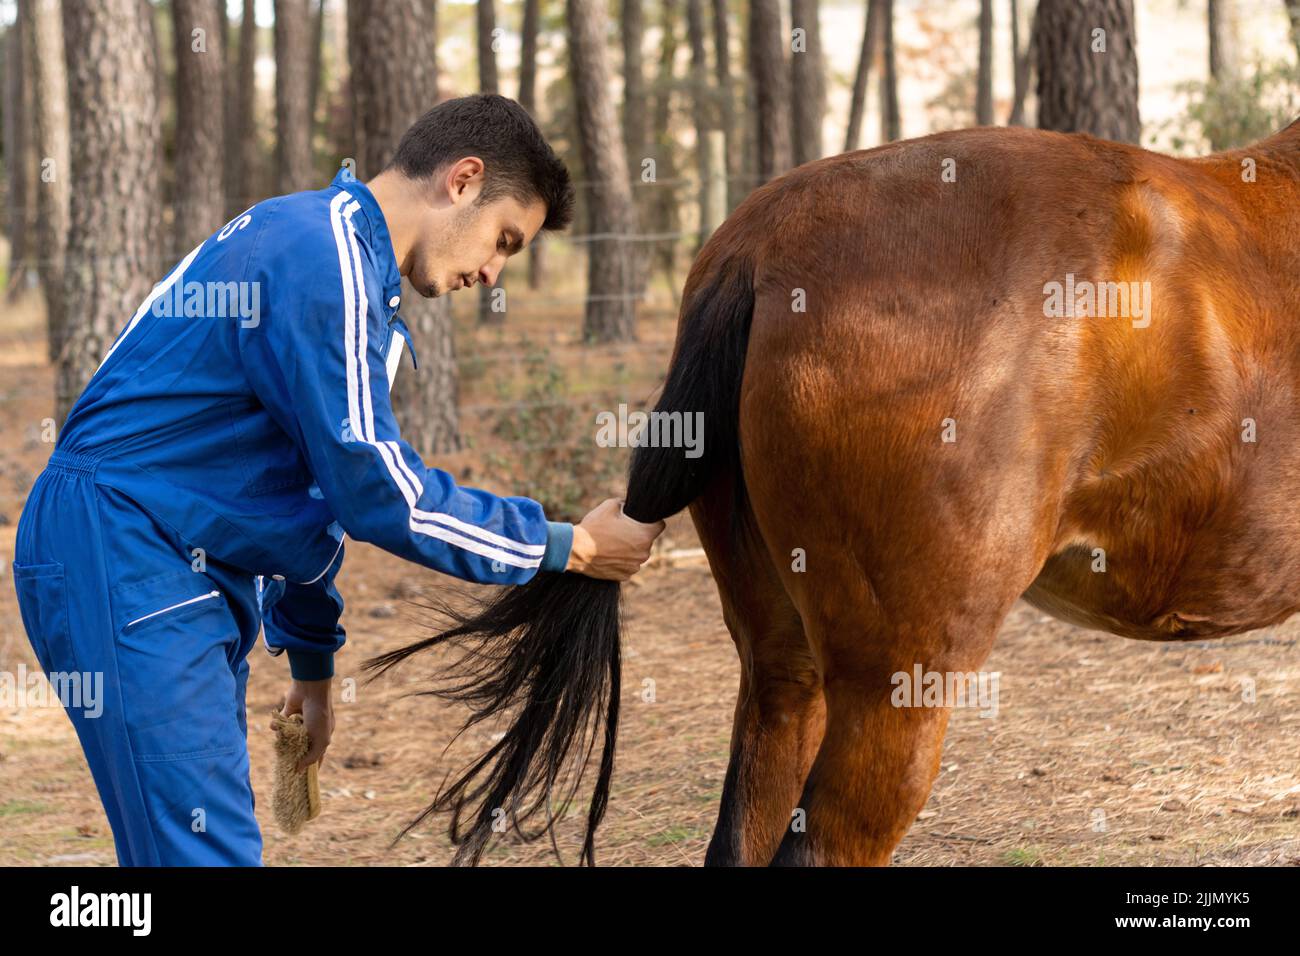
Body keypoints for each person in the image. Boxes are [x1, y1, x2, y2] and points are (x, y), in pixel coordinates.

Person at [11, 93, 665, 866]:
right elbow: (377, 493)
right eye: (503, 240)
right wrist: (569, 545)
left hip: (152, 555)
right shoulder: (324, 261)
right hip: (125, 551)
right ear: (462, 181)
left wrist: (314, 671)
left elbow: (305, 493)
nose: (491, 273)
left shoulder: (330, 252)